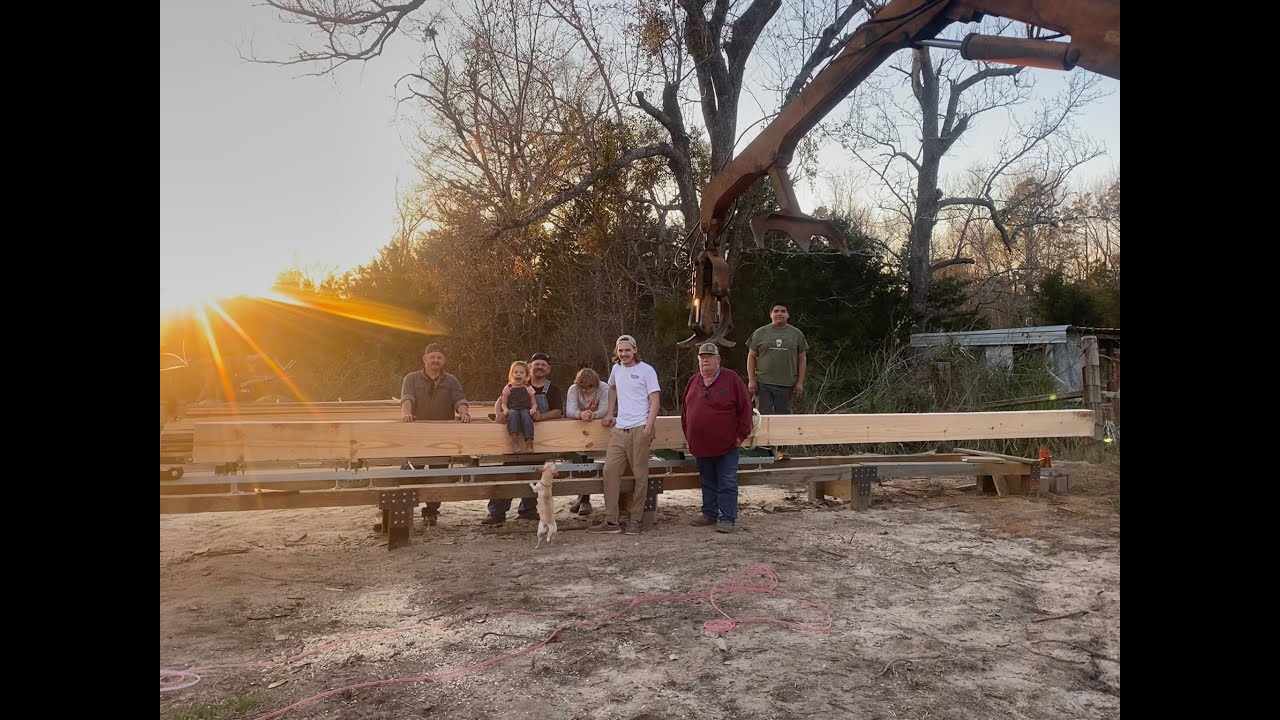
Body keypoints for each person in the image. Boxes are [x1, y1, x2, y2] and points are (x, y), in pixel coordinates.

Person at [588, 335, 661, 535]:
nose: (624, 354)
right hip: (620, 429)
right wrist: (610, 413)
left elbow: (655, 401)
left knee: (640, 475)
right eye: (620, 351)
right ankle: (611, 521)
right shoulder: (616, 369)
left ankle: (635, 520)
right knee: (610, 470)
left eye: (627, 350)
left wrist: (648, 427)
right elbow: (612, 388)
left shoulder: (647, 371)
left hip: (640, 428)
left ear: (635, 350)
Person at [485, 352, 565, 523]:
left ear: (548, 369)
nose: (540, 367)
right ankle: (497, 512)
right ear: (529, 367)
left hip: (538, 442)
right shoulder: (516, 384)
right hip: (514, 441)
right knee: (507, 475)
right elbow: (500, 401)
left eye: (543, 365)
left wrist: (541, 417)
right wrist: (499, 414)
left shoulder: (553, 389)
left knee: (535, 475)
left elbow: (558, 411)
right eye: (536, 364)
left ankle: (528, 510)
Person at [681, 342, 753, 533]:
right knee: (707, 481)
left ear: (718, 359)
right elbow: (685, 412)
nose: (705, 360)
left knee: (727, 481)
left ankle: (727, 518)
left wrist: (740, 436)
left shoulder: (732, 379)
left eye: (709, 357)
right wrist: (689, 436)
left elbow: (746, 409)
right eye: (702, 357)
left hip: (727, 445)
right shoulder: (693, 381)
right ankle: (709, 513)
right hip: (701, 445)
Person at [400, 342, 472, 526]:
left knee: (437, 475)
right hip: (417, 435)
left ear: (443, 361)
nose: (435, 360)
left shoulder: (451, 381)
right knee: (410, 473)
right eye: (432, 357)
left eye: (439, 357)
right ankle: (402, 510)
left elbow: (459, 400)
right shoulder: (411, 378)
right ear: (425, 359)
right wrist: (407, 414)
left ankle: (431, 512)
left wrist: (464, 414)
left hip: (442, 436)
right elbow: (407, 398)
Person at [746, 301, 808, 414]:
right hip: (763, 383)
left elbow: (802, 359)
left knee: (783, 417)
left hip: (787, 384)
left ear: (788, 314)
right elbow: (751, 356)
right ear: (770, 314)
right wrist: (751, 380)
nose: (779, 313)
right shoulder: (759, 333)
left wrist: (800, 382)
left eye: (783, 311)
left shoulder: (797, 334)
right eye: (776, 311)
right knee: (763, 416)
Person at [565, 367, 610, 516]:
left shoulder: (604, 388)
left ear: (595, 384)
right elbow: (569, 410)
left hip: (600, 431)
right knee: (579, 462)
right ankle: (583, 498)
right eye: (581, 388)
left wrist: (593, 415)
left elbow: (606, 408)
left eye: (588, 388)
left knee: (596, 464)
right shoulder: (573, 389)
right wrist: (580, 414)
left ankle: (586, 499)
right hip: (579, 431)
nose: (584, 391)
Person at [498, 361, 538, 453]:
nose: (518, 374)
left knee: (526, 416)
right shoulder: (508, 387)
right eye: (515, 372)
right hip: (513, 409)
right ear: (511, 374)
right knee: (513, 414)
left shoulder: (528, 387)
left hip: (525, 409)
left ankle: (529, 443)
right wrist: (505, 409)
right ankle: (514, 442)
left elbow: (534, 403)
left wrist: (533, 409)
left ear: (526, 375)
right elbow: (503, 403)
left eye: (521, 372)